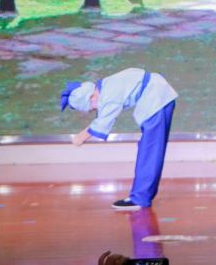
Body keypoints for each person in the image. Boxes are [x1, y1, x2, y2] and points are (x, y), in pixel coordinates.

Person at [59, 68, 177, 211]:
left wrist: (80, 138)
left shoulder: (108, 93)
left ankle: (140, 198)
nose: (94, 110)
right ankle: (142, 196)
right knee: (150, 149)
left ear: (91, 97)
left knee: (150, 150)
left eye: (92, 108)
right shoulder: (108, 85)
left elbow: (103, 122)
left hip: (156, 97)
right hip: (158, 95)